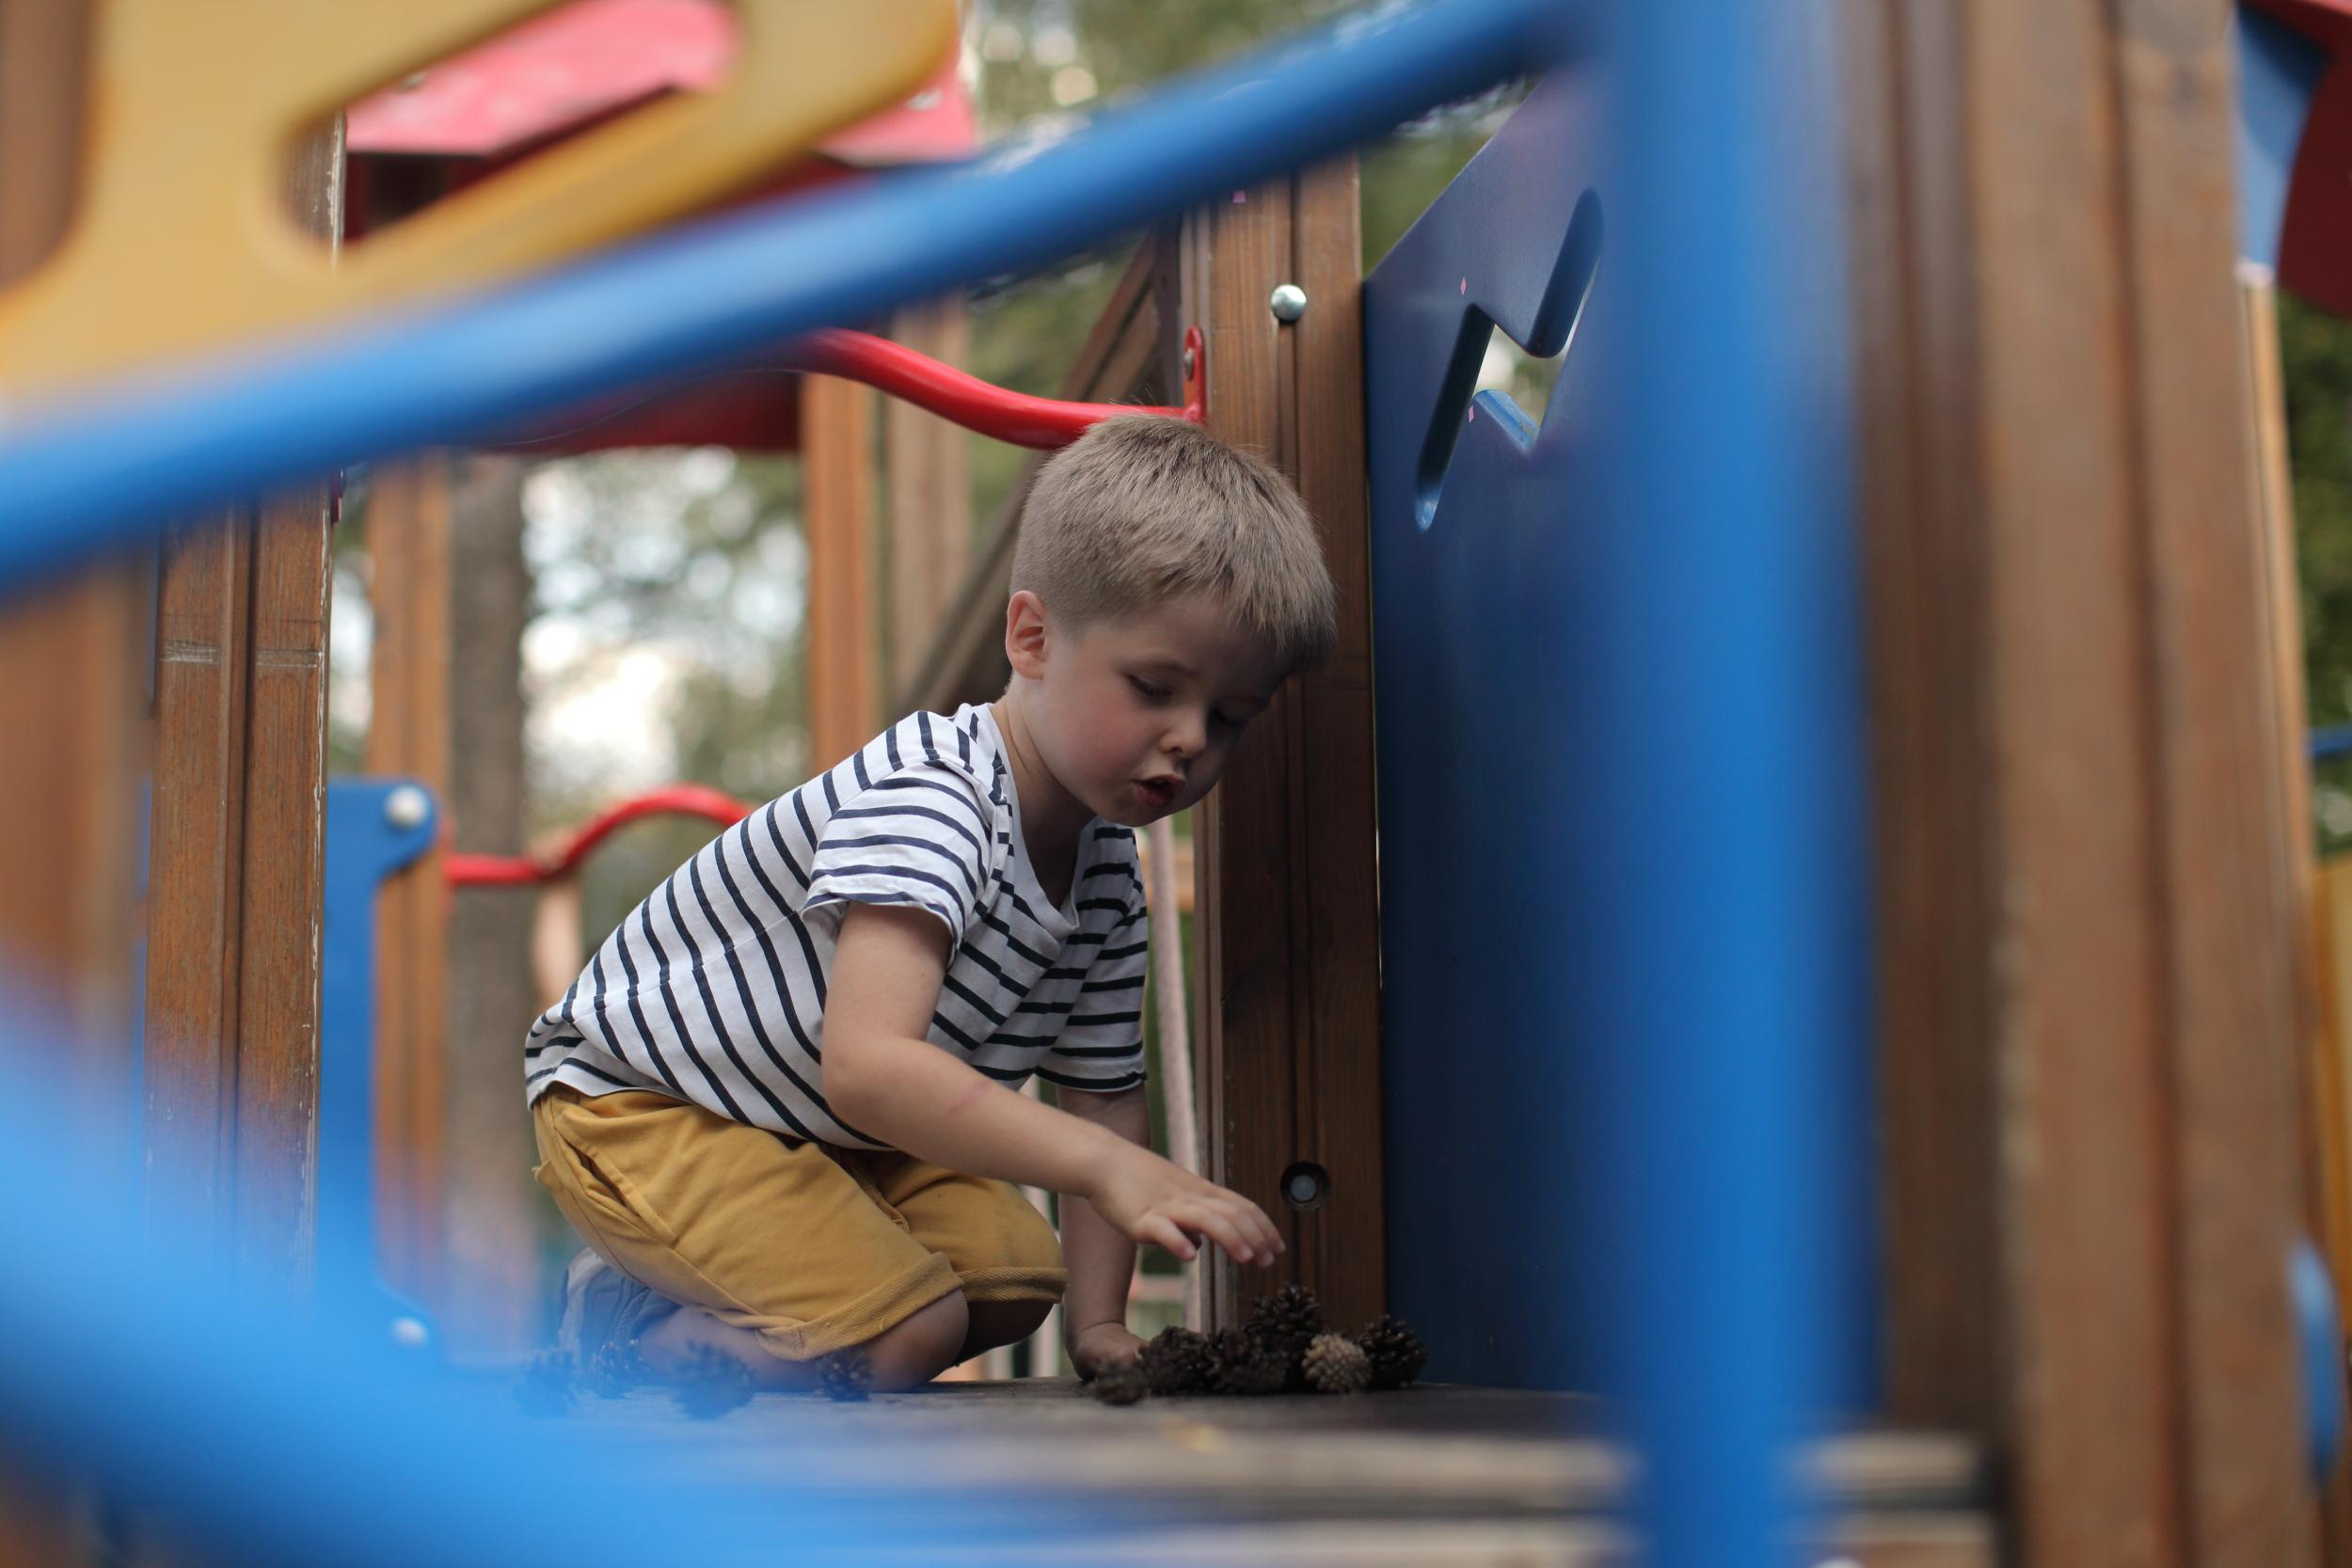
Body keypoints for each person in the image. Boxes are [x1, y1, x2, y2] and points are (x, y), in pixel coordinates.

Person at [522, 415, 1339, 1390]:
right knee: (908, 1329)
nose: (1188, 739)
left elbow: (1104, 1094)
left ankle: (734, 1320)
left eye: (1228, 718)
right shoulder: (936, 794)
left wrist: (1101, 1324)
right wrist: (1104, 1166)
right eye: (1154, 686)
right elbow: (869, 1068)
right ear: (1032, 637)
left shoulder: (1108, 872)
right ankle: (620, 1339)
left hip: (814, 1134)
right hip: (649, 1106)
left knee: (1013, 1269)